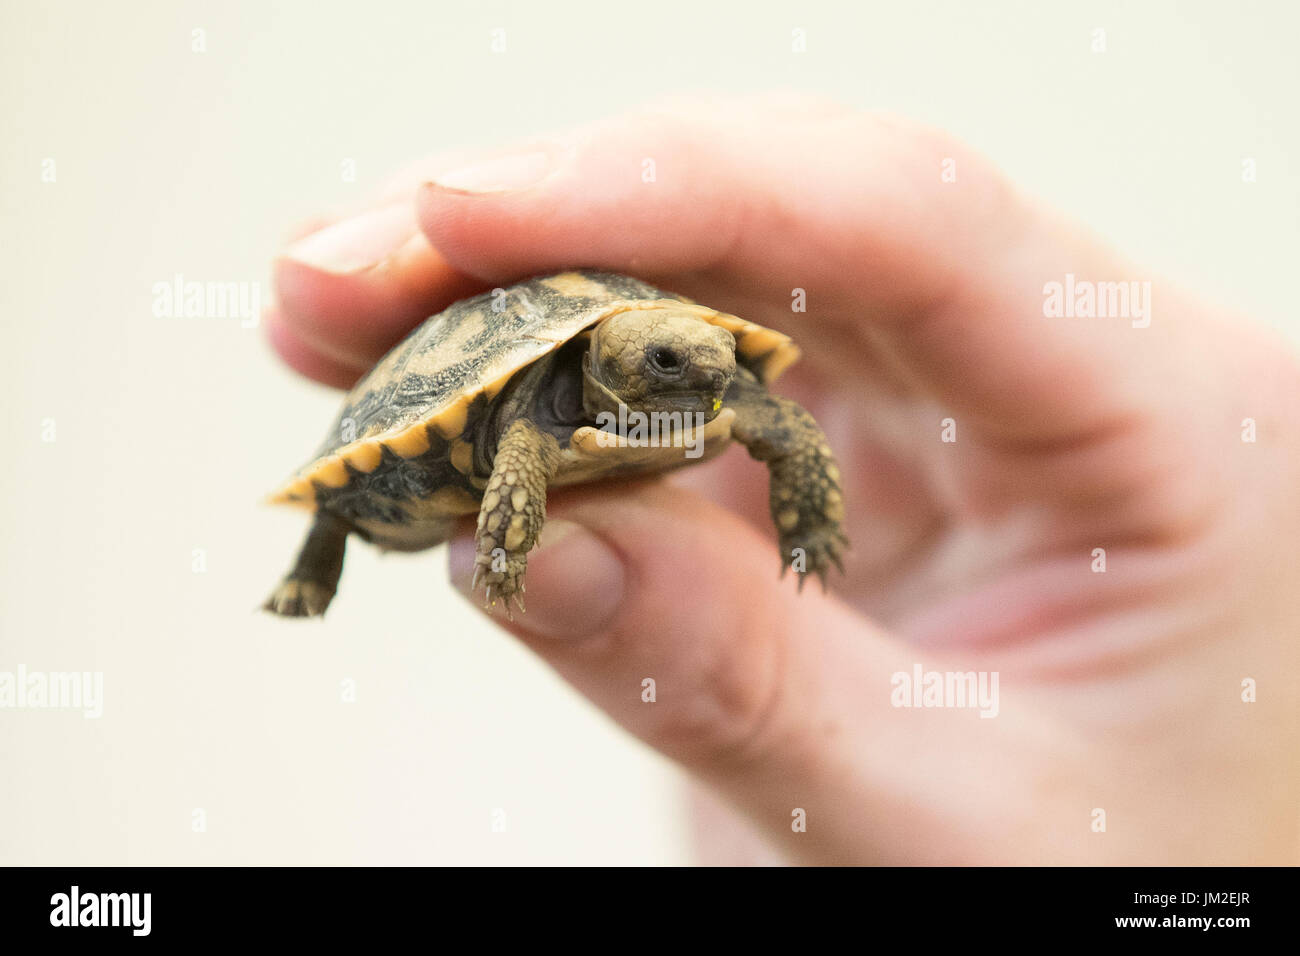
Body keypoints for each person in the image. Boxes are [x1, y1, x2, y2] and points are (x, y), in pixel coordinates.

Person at [266, 94, 1299, 864]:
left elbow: (780, 424)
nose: (705, 372)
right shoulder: (542, 402)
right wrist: (508, 546)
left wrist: (807, 527)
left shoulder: (704, 385)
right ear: (611, 360)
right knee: (353, 501)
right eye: (672, 363)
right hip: (446, 439)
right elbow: (525, 442)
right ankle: (316, 559)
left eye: (710, 358)